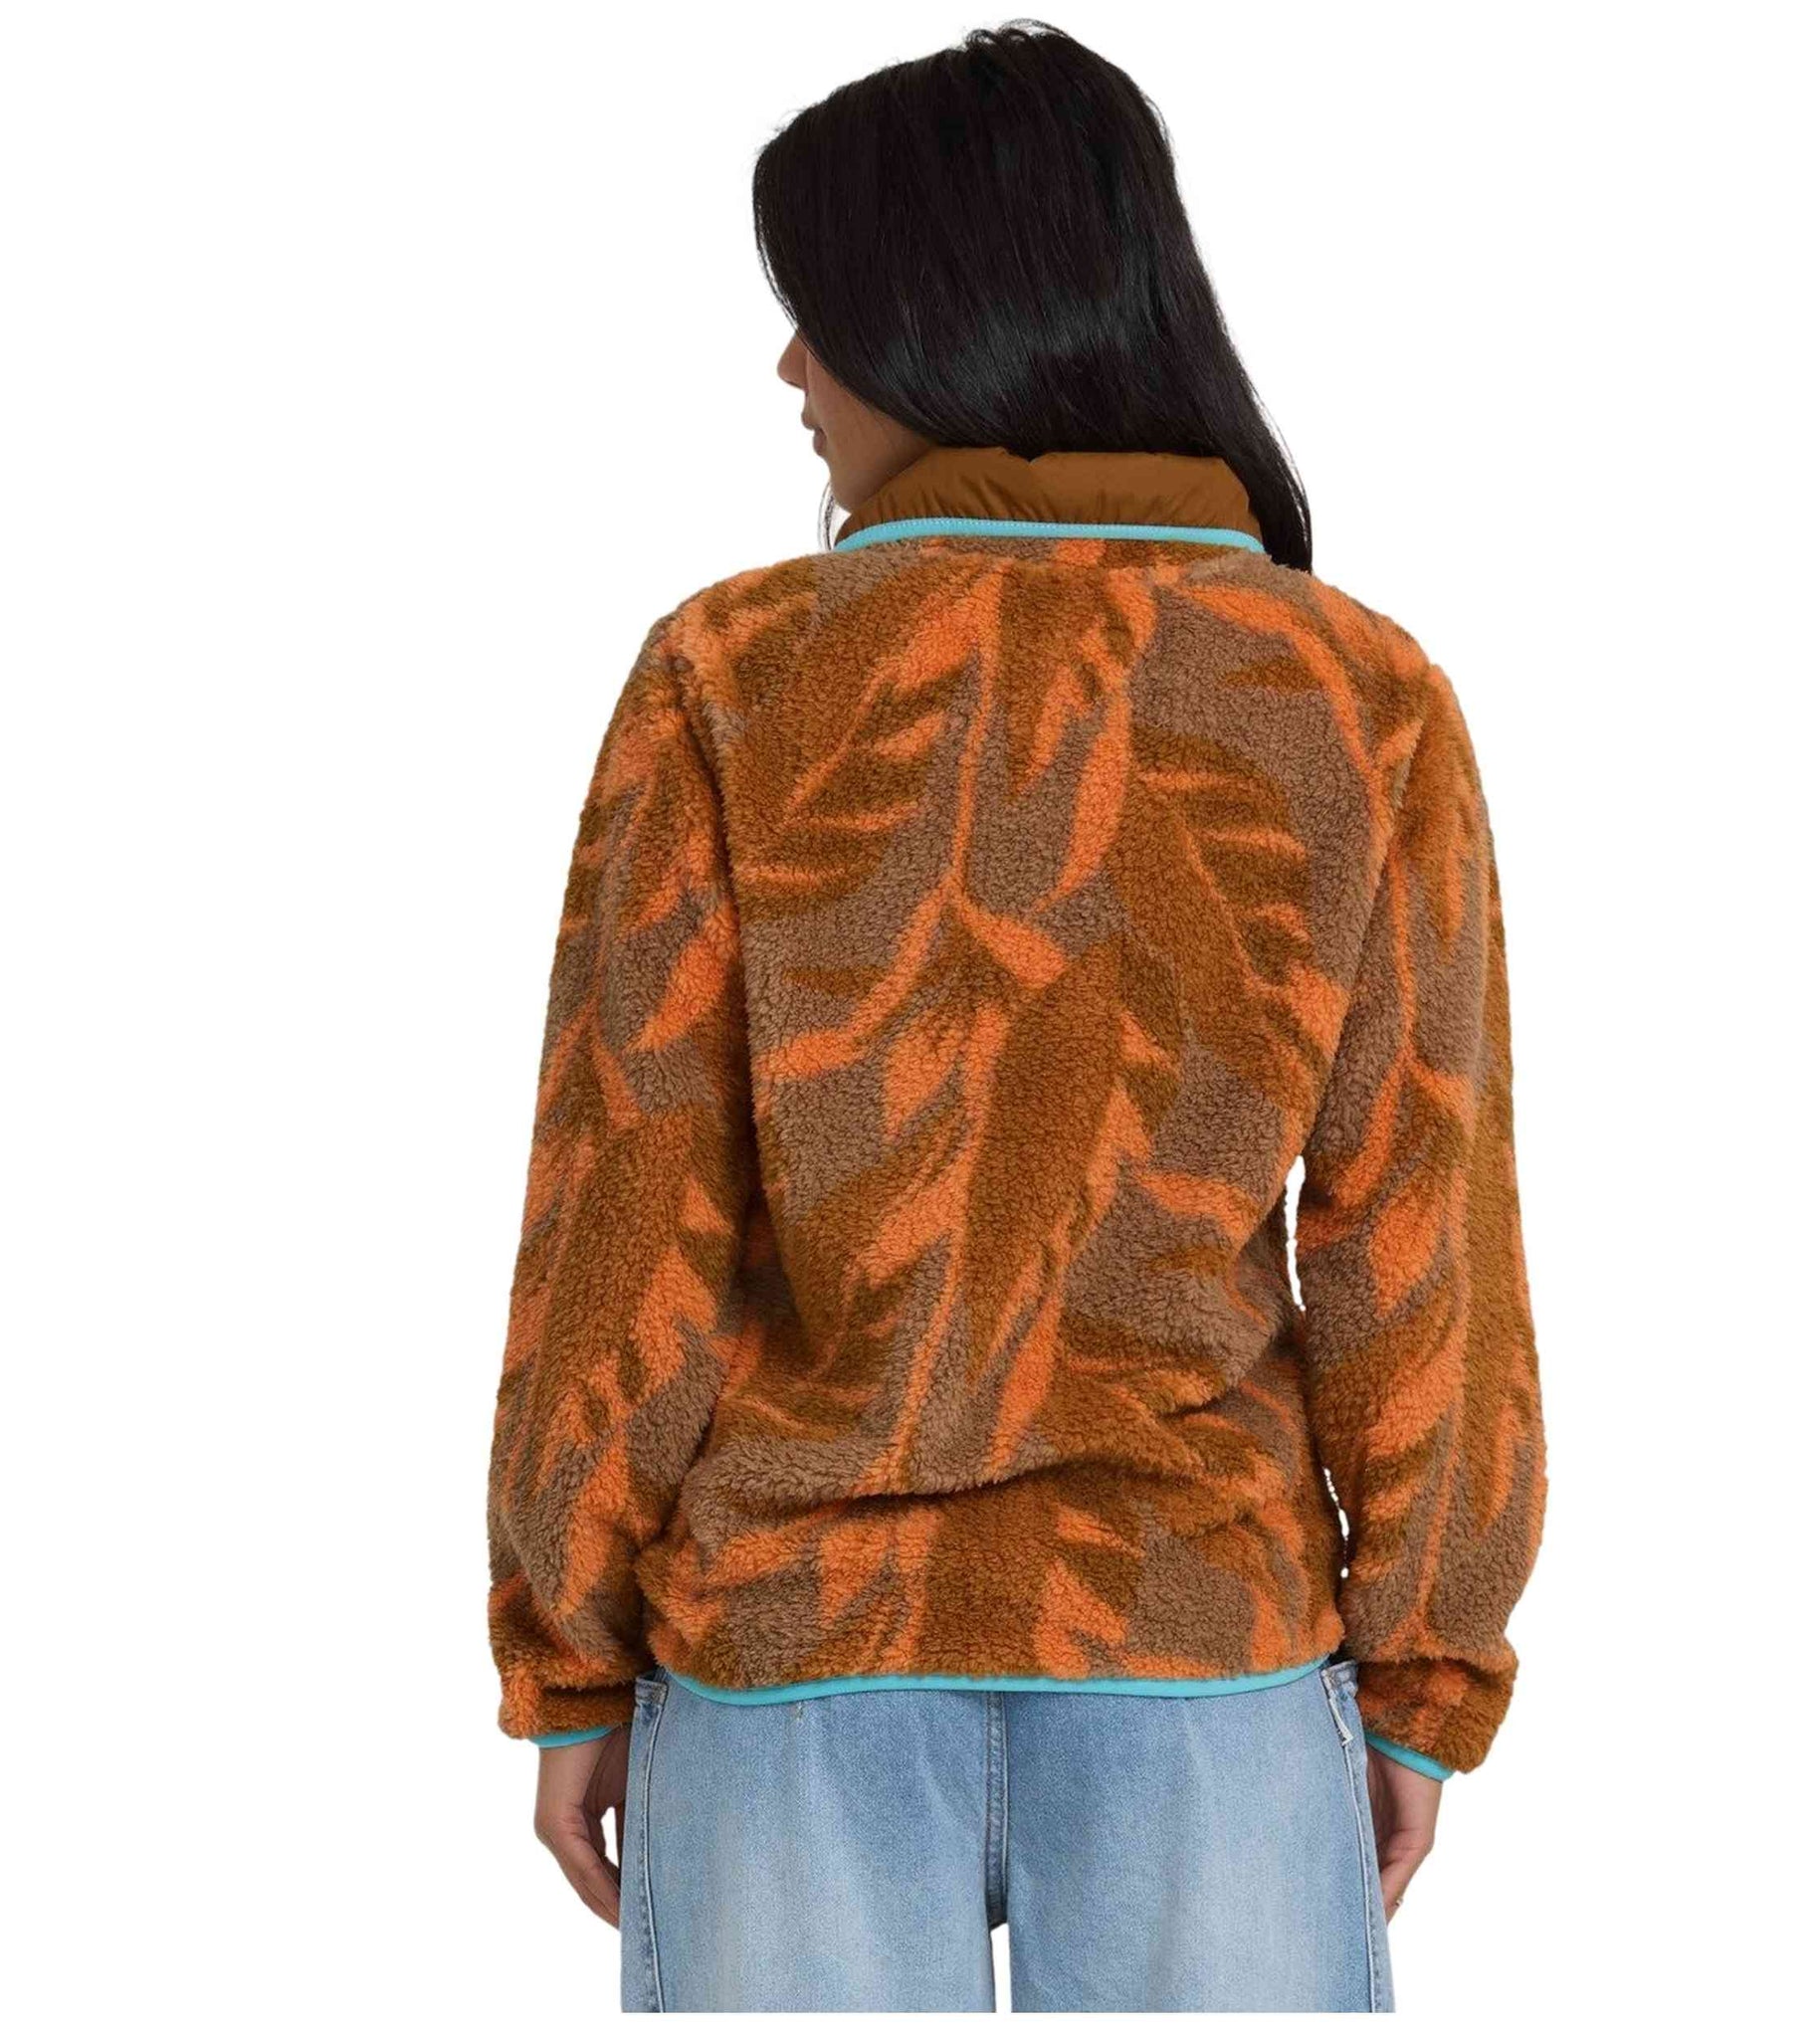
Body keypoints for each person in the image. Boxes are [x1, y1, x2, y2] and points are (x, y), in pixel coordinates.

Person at [485, 21, 1545, 2014]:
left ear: (938, 315)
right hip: (1205, 1648)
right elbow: (1424, 1232)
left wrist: (568, 1655)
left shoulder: (731, 673)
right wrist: (1424, 1676)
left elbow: (627, 1214)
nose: (788, 371)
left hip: (791, 1655)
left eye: (816, 312)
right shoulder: (1355, 692)